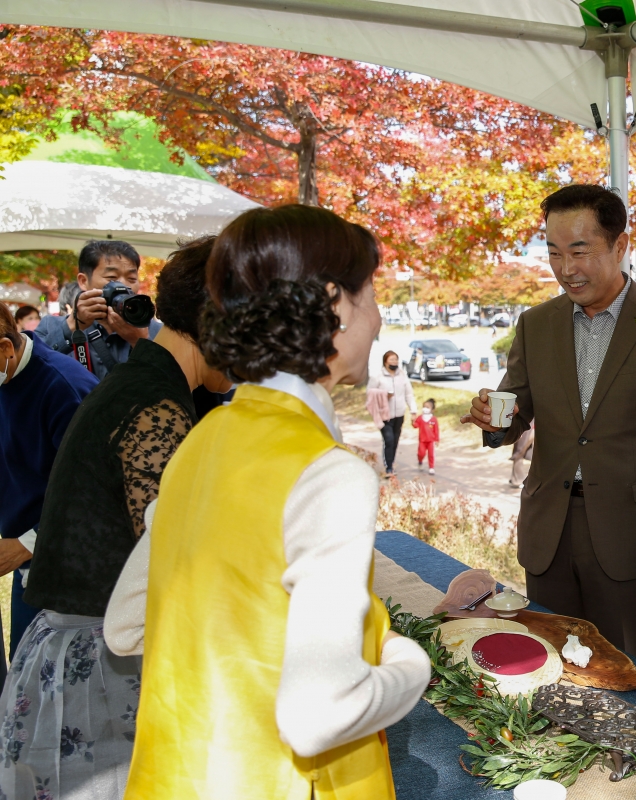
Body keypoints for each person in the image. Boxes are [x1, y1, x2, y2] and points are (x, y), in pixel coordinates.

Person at [107, 204, 431, 800]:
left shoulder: (200, 440)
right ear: (335, 303)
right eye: (373, 293)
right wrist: (409, 664)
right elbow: (318, 718)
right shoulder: (327, 473)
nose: (380, 318)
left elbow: (126, 626)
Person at [2, 237, 232, 800]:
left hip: (86, 653)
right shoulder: (155, 403)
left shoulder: (150, 384)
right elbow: (170, 567)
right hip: (103, 666)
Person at [462, 184, 636, 665]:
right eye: (553, 253)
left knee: (621, 667)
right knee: (546, 661)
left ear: (620, 246)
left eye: (580, 251)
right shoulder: (537, 323)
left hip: (625, 534)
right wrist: (494, 419)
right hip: (549, 528)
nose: (566, 268)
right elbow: (516, 405)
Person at [0, 303, 98, 681]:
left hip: (67, 566)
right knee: (22, 686)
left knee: (50, 688)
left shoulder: (65, 388)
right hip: (26, 557)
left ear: (7, 349)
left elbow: (95, 492)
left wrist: (26, 544)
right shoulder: (9, 377)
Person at [36, 240, 162, 379]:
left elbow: (173, 387)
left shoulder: (159, 332)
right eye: (111, 278)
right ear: (83, 281)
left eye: (131, 279)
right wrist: (72, 327)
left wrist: (141, 343)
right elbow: (30, 372)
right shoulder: (51, 326)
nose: (124, 286)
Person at [367, 349, 416, 474]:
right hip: (384, 414)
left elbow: (409, 394)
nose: (394, 362)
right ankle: (388, 467)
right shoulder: (377, 376)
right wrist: (384, 395)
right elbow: (370, 392)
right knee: (388, 439)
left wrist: (413, 410)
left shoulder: (402, 375)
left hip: (399, 414)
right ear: (385, 362)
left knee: (395, 440)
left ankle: (391, 462)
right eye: (391, 360)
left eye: (396, 359)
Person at [413, 398, 440, 473]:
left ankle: (431, 467)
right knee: (421, 453)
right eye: (424, 407)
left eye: (427, 407)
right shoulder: (420, 418)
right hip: (422, 440)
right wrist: (413, 420)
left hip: (431, 440)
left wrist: (437, 439)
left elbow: (436, 430)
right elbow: (415, 425)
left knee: (431, 454)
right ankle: (420, 461)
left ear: (432, 409)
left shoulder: (433, 419)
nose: (425, 409)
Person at [510, 423, 535, 487]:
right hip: (525, 428)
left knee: (520, 453)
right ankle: (516, 480)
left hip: (530, 428)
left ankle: (517, 479)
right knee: (519, 453)